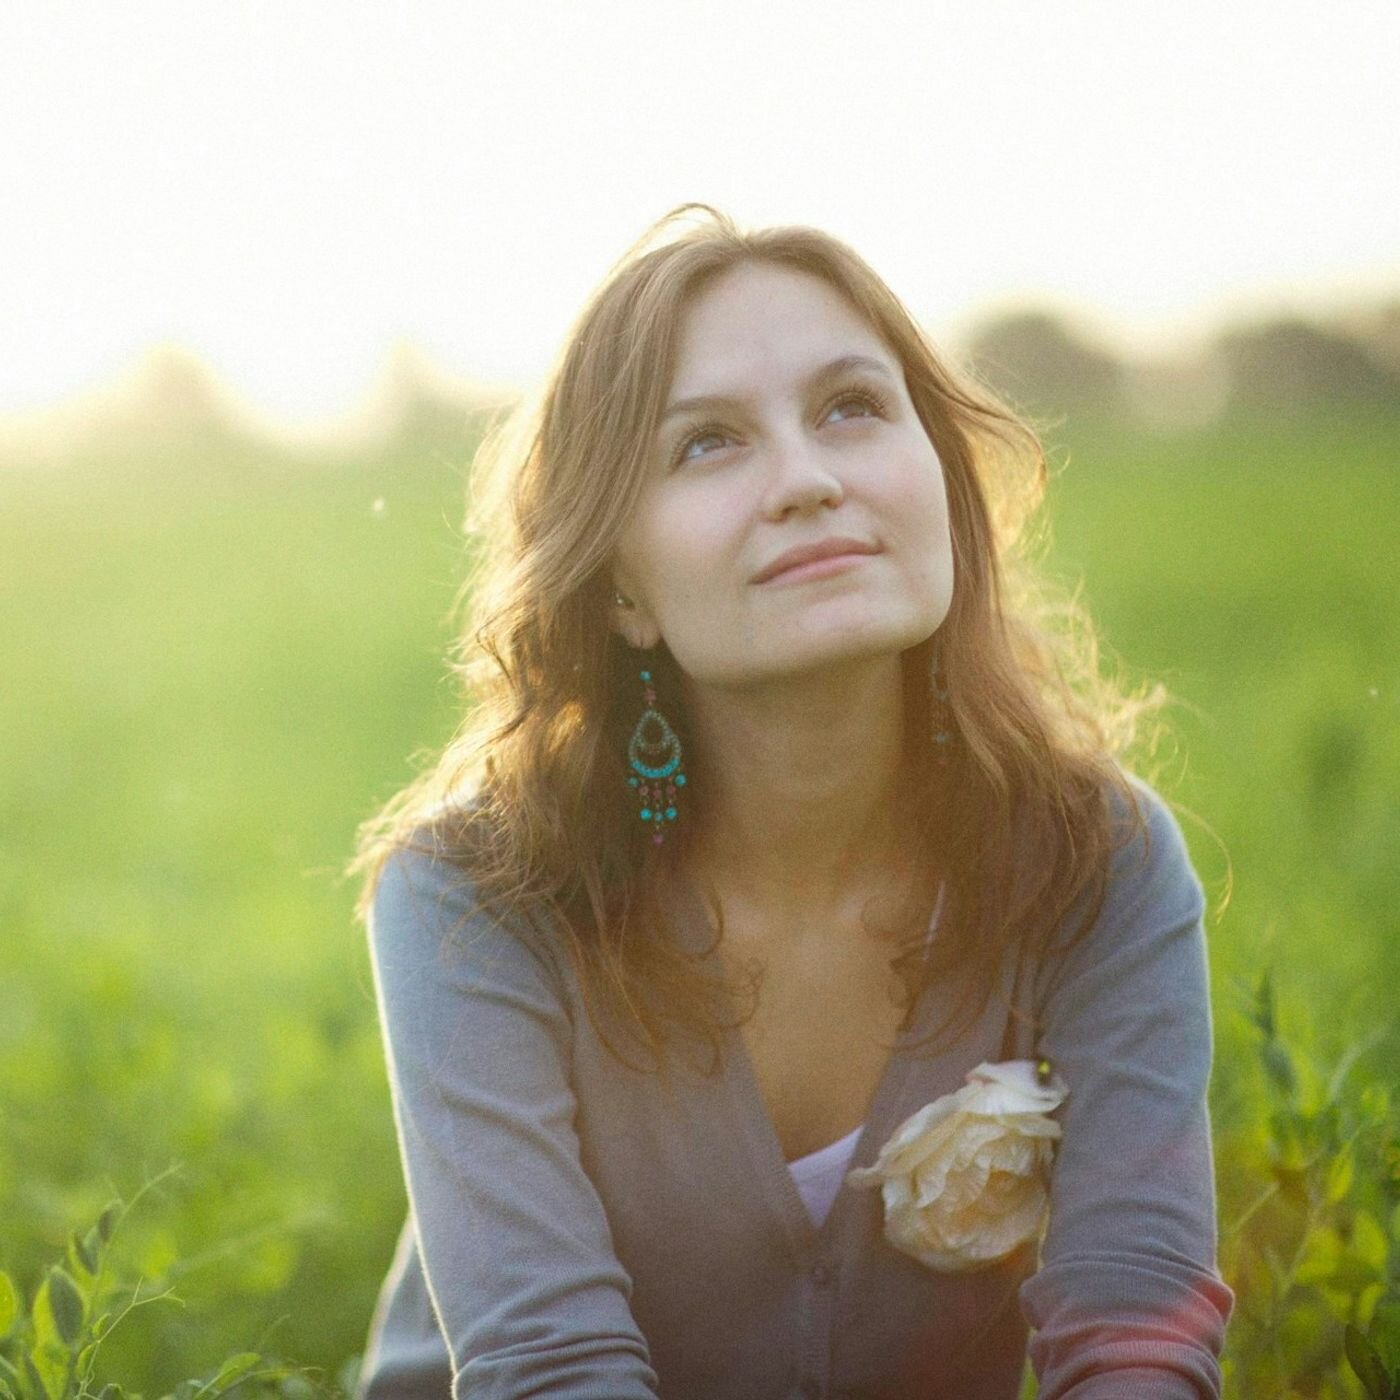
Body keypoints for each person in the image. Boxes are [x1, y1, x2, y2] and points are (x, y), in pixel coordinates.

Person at [347, 203, 1235, 1398]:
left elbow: (1136, 1335)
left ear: (941, 481)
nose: (807, 481)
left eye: (851, 407)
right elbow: (551, 1369)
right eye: (706, 443)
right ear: (619, 590)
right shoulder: (473, 898)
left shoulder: (1096, 861)